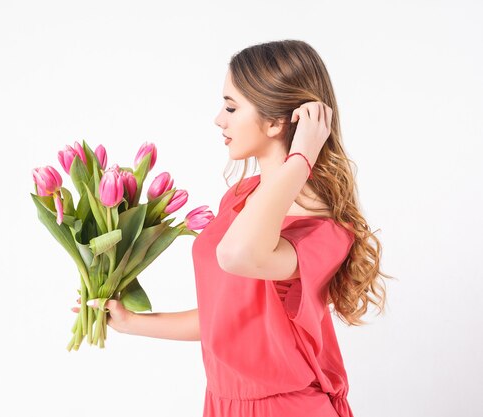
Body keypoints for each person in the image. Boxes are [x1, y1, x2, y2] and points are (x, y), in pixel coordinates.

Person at [73, 39, 391, 417]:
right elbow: (225, 318)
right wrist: (132, 323)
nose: (219, 119)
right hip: (222, 404)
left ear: (275, 121)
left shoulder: (323, 229)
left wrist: (303, 156)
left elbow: (237, 255)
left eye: (231, 107)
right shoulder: (242, 198)